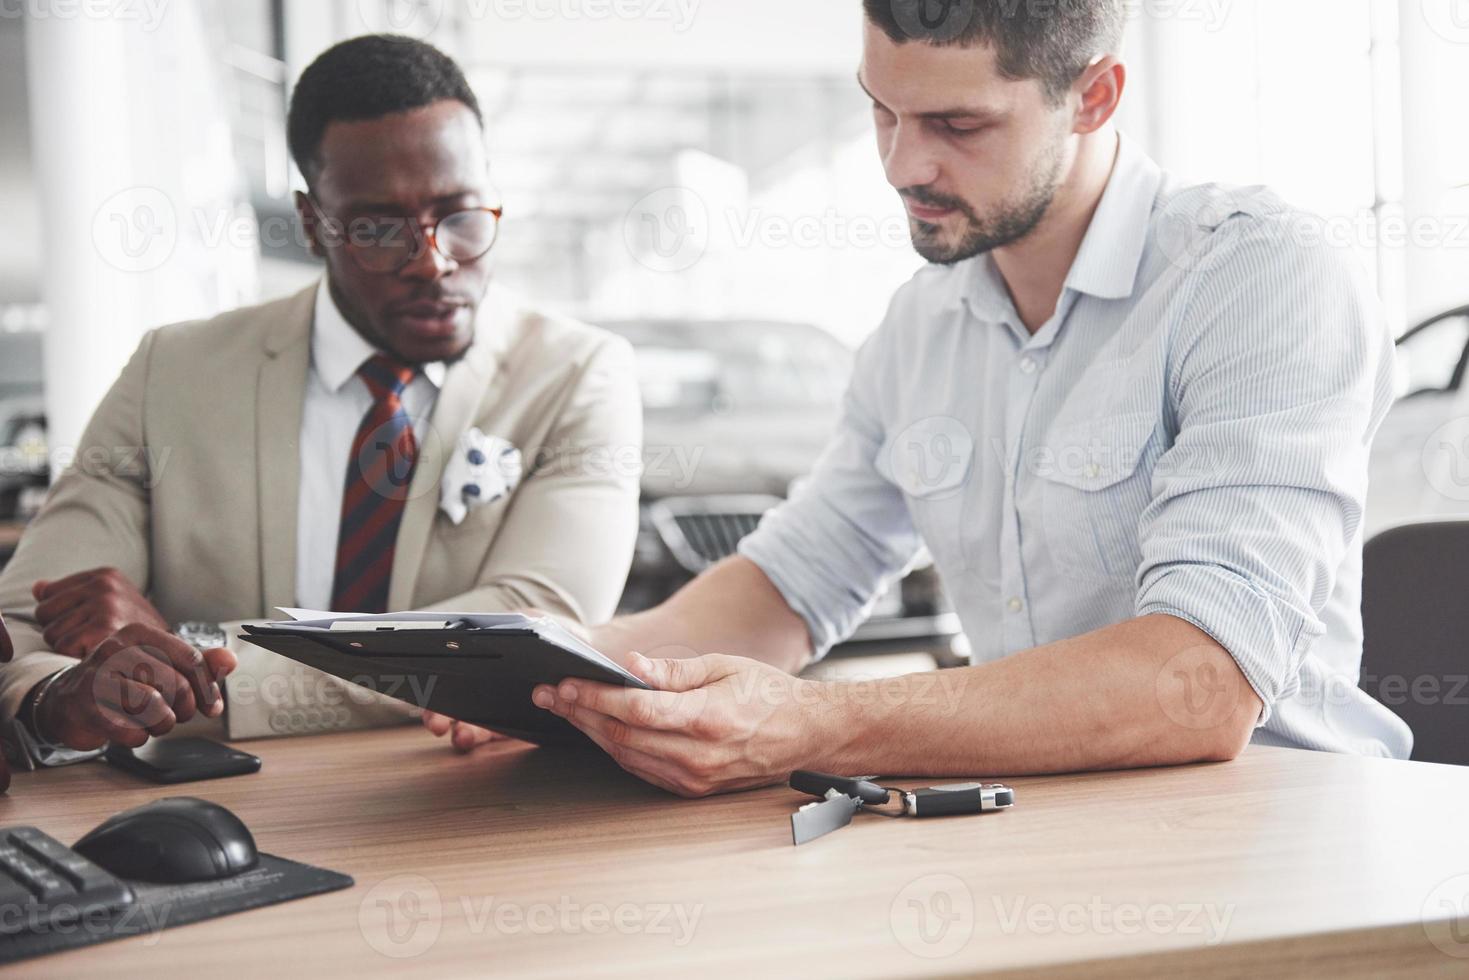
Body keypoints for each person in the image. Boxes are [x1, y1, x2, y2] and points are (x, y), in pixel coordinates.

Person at [432, 0, 1411, 794]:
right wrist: (572, 668)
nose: (902, 165)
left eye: (957, 123)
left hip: (1285, 843)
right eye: (881, 110)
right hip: (1050, 838)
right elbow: (800, 572)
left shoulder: (1260, 280)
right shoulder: (919, 325)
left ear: (1094, 96)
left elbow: (1194, 686)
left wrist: (812, 721)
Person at [0, 35, 641, 769]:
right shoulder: (170, 371)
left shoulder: (577, 373)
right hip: (202, 803)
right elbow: (27, 623)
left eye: (462, 218)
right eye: (377, 229)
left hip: (456, 803)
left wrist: (200, 659)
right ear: (313, 224)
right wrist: (68, 700)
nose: (432, 263)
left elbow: (534, 630)